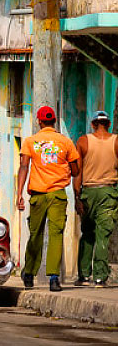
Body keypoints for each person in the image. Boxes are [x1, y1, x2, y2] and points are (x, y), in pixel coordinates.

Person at [17, 106, 80, 292]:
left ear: (39, 121)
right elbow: (76, 171)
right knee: (56, 235)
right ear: (54, 121)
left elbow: (23, 167)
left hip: (37, 195)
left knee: (35, 234)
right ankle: (54, 278)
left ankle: (28, 274)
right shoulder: (66, 142)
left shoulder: (31, 141)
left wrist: (19, 194)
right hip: (58, 195)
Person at [75, 111, 118, 287]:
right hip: (108, 192)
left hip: (88, 192)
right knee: (103, 235)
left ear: (93, 124)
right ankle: (100, 277)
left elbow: (77, 172)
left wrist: (77, 197)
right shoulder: (116, 141)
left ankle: (84, 275)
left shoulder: (83, 141)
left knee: (87, 234)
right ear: (108, 124)